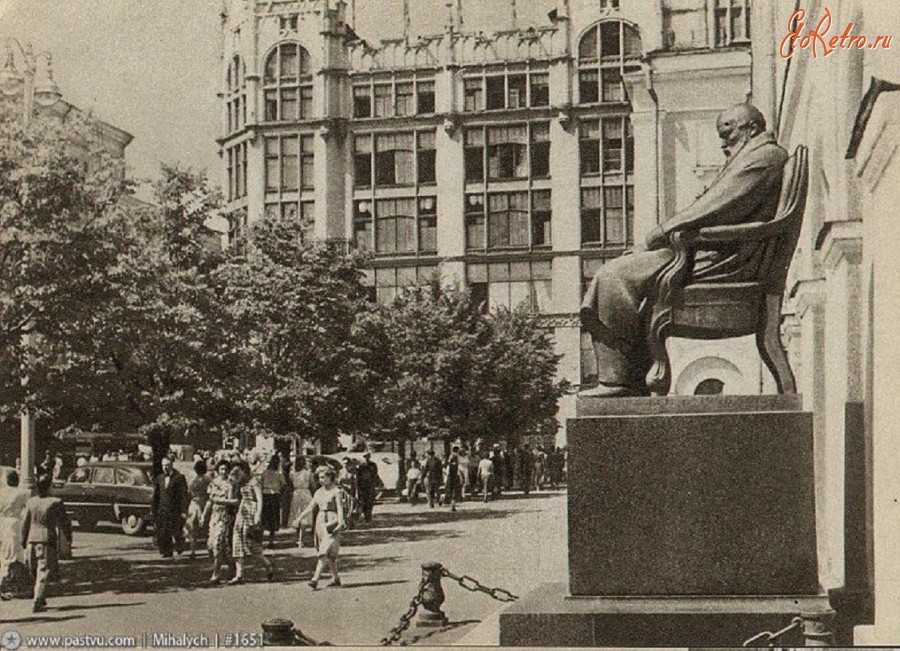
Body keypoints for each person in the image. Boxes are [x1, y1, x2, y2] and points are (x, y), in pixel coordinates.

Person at [580, 103, 789, 396]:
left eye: (727, 131)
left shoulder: (764, 156)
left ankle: (618, 382)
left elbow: (715, 206)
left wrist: (660, 235)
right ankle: (625, 379)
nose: (722, 142)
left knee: (613, 276)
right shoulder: (757, 156)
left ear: (751, 127)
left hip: (722, 260)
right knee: (623, 274)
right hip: (715, 252)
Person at [21, 474, 71, 613]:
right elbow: (64, 522)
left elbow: (25, 523)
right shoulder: (55, 502)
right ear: (49, 487)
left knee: (34, 571)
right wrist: (68, 537)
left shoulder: (30, 502)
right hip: (46, 540)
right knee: (43, 572)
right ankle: (37, 599)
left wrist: (23, 540)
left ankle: (39, 596)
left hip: (31, 539)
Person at [296, 466, 345, 590]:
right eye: (319, 478)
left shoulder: (336, 491)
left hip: (332, 521)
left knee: (324, 551)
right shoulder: (318, 492)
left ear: (330, 477)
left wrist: (340, 522)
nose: (321, 480)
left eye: (324, 477)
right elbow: (311, 507)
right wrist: (299, 518)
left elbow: (340, 508)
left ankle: (315, 579)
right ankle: (336, 579)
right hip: (320, 521)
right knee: (328, 554)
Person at [229, 464, 273, 584]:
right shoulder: (241, 484)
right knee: (237, 542)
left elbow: (259, 500)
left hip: (251, 513)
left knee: (251, 544)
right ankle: (239, 575)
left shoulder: (254, 482)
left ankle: (268, 565)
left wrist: (257, 516)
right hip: (242, 513)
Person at [203, 459, 237, 584]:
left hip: (225, 516)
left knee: (218, 543)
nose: (224, 471)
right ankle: (231, 566)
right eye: (221, 469)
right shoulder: (213, 483)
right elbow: (210, 500)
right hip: (214, 516)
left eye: (226, 469)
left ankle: (216, 572)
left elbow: (233, 501)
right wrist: (203, 516)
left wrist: (219, 500)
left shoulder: (231, 483)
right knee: (211, 545)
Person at [151, 456, 190, 558]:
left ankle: (180, 545)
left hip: (175, 510)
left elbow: (183, 495)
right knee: (163, 531)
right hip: (162, 509)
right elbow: (156, 495)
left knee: (176, 530)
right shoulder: (159, 478)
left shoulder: (179, 477)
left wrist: (184, 510)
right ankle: (166, 551)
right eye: (163, 466)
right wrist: (153, 509)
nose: (165, 468)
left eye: (167, 466)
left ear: (172, 465)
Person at [0, 471, 30, 600]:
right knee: (14, 555)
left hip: (3, 523)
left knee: (5, 554)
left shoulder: (1, 493)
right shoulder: (23, 493)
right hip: (15, 525)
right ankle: (5, 585)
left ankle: (11, 583)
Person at [184, 459, 211, 559]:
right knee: (207, 527)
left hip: (194, 504)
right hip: (205, 504)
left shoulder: (192, 480)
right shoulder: (208, 480)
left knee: (192, 528)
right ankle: (209, 549)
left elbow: (188, 493)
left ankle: (192, 550)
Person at [259, 455, 286, 549]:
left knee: (265, 517)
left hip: (266, 495)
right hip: (274, 495)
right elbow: (283, 485)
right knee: (272, 518)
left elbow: (261, 483)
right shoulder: (278, 473)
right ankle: (270, 540)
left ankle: (261, 540)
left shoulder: (265, 473)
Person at [289, 458, 316, 548]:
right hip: (305, 493)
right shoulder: (308, 474)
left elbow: (290, 485)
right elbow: (313, 486)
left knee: (297, 515)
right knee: (304, 515)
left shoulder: (292, 474)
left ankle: (298, 538)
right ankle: (301, 539)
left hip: (296, 494)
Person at [355, 452, 379, 524]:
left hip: (370, 485)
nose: (366, 458)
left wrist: (375, 484)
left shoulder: (373, 465)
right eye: (365, 457)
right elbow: (358, 477)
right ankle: (366, 517)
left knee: (370, 502)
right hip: (363, 486)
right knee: (364, 502)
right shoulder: (361, 466)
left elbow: (375, 474)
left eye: (367, 457)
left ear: (369, 457)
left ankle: (369, 517)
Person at [443, 447, 462, 511]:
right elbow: (449, 463)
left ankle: (452, 505)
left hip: (453, 475)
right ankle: (451, 504)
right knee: (451, 490)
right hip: (452, 476)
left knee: (452, 490)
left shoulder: (454, 457)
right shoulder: (453, 456)